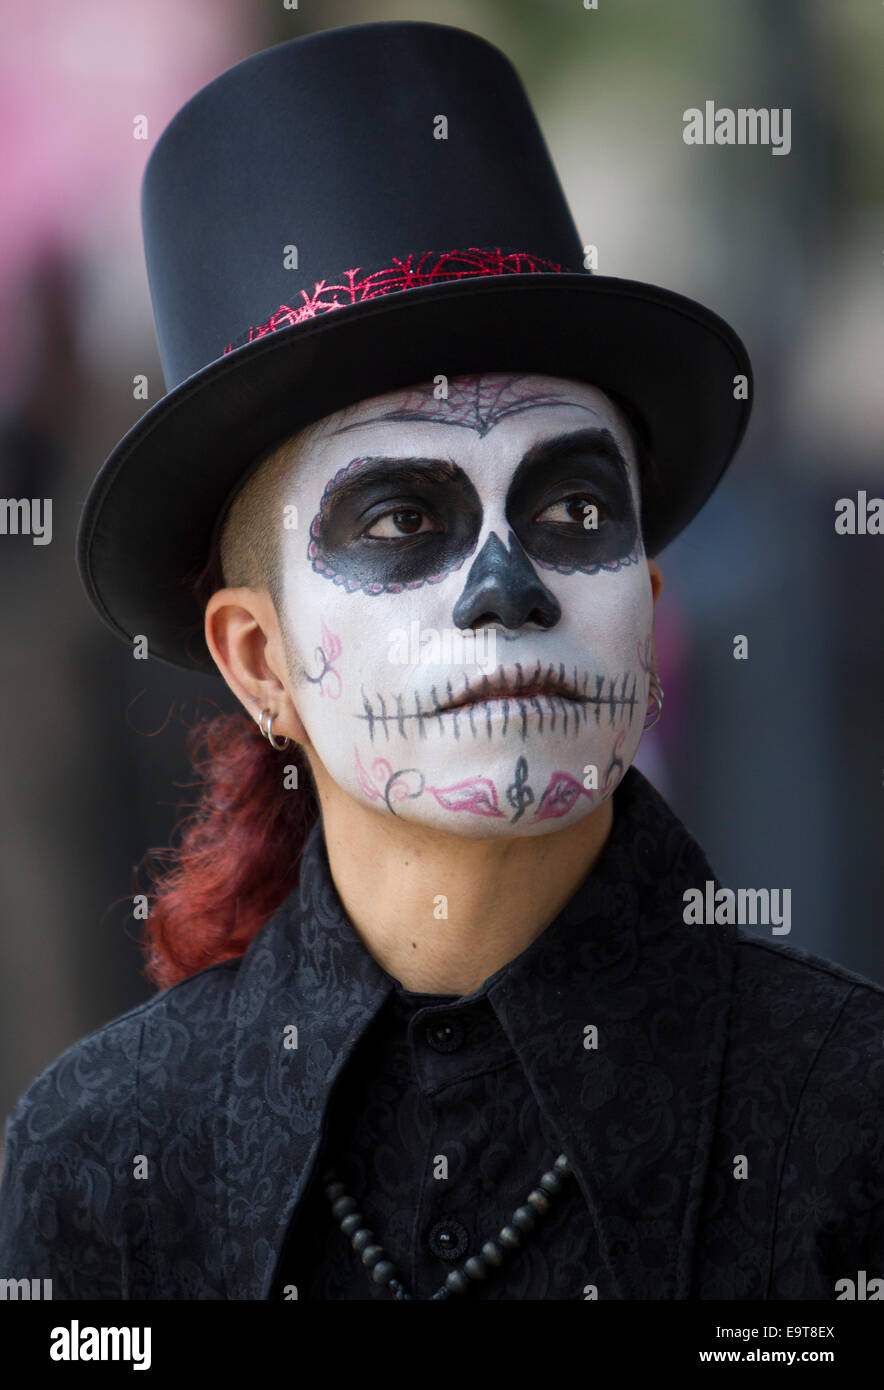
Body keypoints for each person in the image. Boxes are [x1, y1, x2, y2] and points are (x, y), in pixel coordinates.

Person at [0, 21, 881, 1302]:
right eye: (402, 520)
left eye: (570, 511)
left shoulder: (847, 1116)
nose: (506, 589)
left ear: (643, 603)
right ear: (260, 659)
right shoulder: (105, 1154)